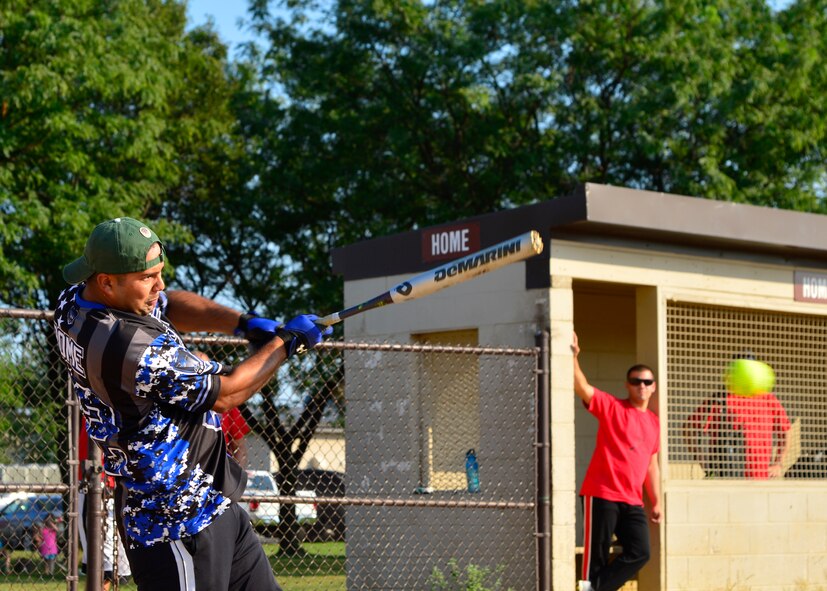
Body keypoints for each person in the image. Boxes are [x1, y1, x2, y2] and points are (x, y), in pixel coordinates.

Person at [53, 216, 332, 591]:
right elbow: (228, 392)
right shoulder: (129, 348)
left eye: (159, 272)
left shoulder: (74, 303)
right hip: (174, 523)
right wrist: (286, 344)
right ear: (106, 281)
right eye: (148, 278)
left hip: (213, 502)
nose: (159, 285)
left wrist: (243, 322)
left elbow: (170, 305)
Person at [572, 332, 662, 591]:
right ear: (627, 385)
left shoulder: (653, 423)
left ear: (653, 386)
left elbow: (650, 465)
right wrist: (574, 356)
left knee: (641, 551)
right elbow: (582, 386)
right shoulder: (613, 407)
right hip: (601, 494)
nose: (641, 386)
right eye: (636, 381)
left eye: (646, 382)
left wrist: (656, 501)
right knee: (596, 557)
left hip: (632, 500)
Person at [684, 355, 791, 479]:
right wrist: (703, 461)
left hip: (760, 478)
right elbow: (689, 427)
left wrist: (778, 464)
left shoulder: (768, 399)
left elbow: (786, 431)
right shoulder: (721, 398)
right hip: (726, 477)